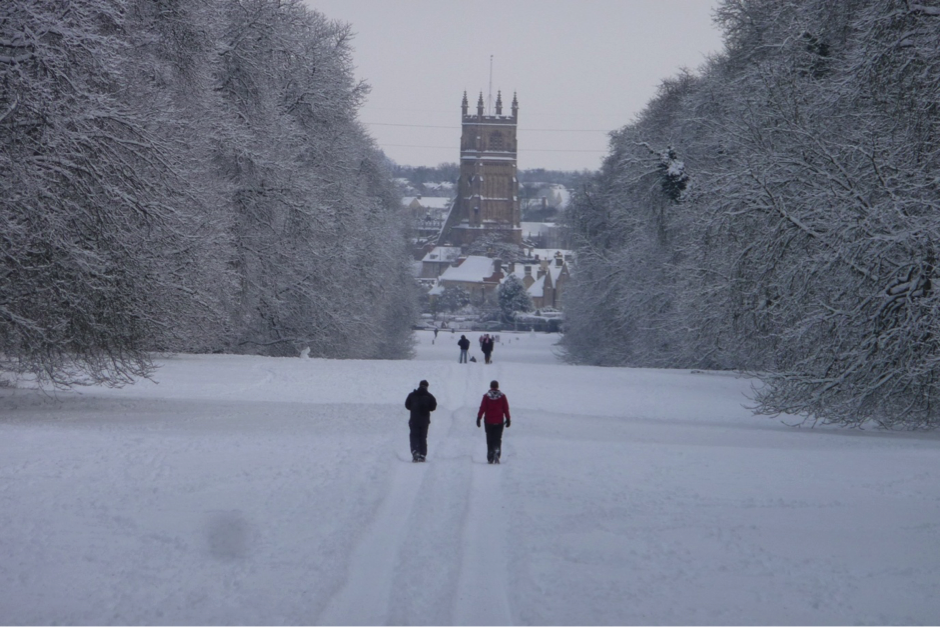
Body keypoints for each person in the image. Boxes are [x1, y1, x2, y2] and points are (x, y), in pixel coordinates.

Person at [476, 380, 511, 464]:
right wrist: (508, 418)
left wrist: (479, 417)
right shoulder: (502, 397)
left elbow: (482, 408)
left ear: (490, 386)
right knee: (497, 438)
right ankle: (497, 450)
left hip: (489, 421)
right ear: (497, 386)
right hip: (499, 421)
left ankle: (490, 455)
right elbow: (506, 408)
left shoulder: (486, 396)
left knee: (489, 438)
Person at [405, 380, 437, 462]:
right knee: (423, 437)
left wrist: (414, 408)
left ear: (419, 385)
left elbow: (407, 405)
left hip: (414, 420)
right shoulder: (430, 396)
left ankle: (415, 452)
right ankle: (422, 454)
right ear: (427, 386)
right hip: (424, 421)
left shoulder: (412, 395)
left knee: (414, 436)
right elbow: (433, 407)